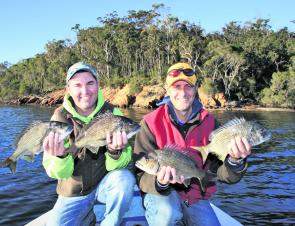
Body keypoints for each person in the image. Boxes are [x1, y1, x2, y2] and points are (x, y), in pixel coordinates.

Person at [134, 62, 252, 226]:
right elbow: (139, 172)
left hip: (196, 196)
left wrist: (235, 161)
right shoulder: (149, 123)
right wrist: (160, 183)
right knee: (166, 214)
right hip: (160, 196)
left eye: (188, 86)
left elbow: (221, 173)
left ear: (196, 89)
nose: (182, 92)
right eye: (176, 87)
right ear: (167, 90)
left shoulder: (212, 125)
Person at [42, 62, 135, 226]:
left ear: (98, 85)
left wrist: (115, 151)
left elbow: (122, 163)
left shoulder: (113, 114)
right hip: (73, 194)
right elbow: (57, 173)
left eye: (90, 83)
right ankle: (88, 216)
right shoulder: (59, 119)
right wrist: (60, 155)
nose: (85, 91)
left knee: (124, 178)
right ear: (68, 89)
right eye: (77, 85)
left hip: (104, 187)